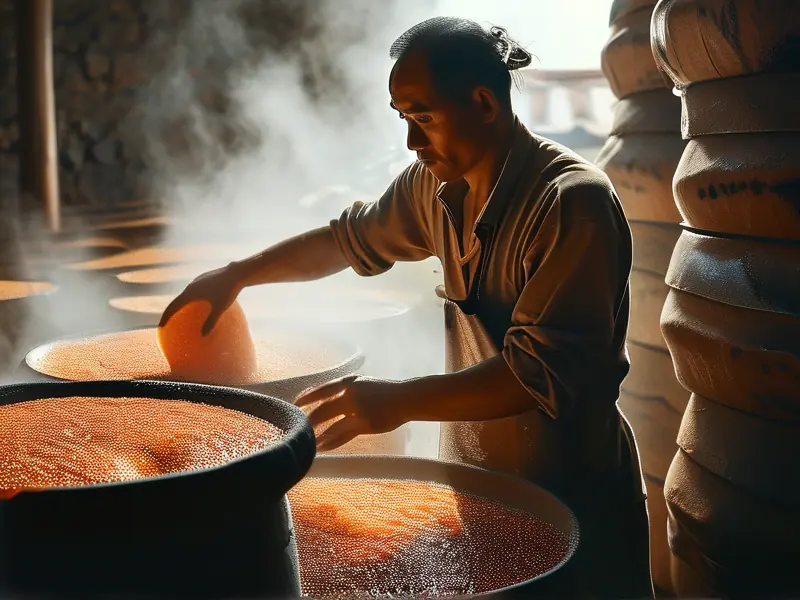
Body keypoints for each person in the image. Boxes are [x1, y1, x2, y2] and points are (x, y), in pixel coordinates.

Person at [160, 17, 653, 599]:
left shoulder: (570, 203)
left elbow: (537, 374)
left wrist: (395, 400)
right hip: (476, 487)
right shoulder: (433, 187)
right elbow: (346, 240)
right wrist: (236, 275)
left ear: (484, 103)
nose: (413, 143)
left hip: (575, 490)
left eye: (424, 118)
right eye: (404, 120)